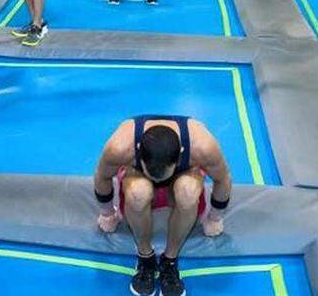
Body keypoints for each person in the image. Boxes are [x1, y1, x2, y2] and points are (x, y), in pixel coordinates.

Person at [94, 115, 232, 296]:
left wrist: (215, 217)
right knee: (138, 193)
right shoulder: (120, 147)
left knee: (188, 191)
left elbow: (223, 179)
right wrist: (107, 214)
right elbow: (102, 176)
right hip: (137, 180)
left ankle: (170, 260)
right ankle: (145, 257)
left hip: (182, 180)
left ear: (181, 153)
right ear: (137, 151)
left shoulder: (203, 147)